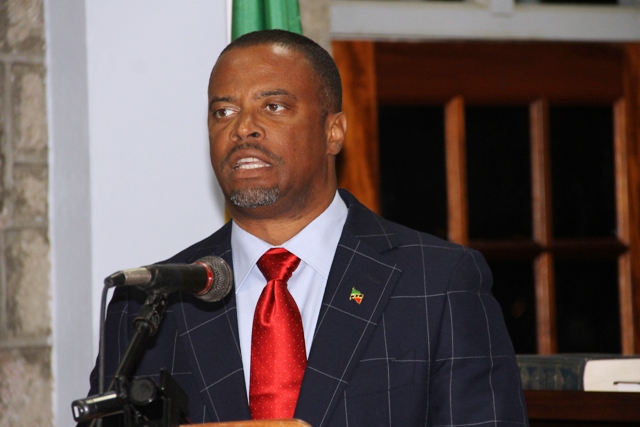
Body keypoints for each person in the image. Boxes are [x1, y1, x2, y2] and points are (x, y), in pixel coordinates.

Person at [86, 29, 528, 426]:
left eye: (273, 106)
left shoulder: (439, 283)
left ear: (333, 131)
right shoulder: (151, 300)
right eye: (223, 112)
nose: (243, 129)